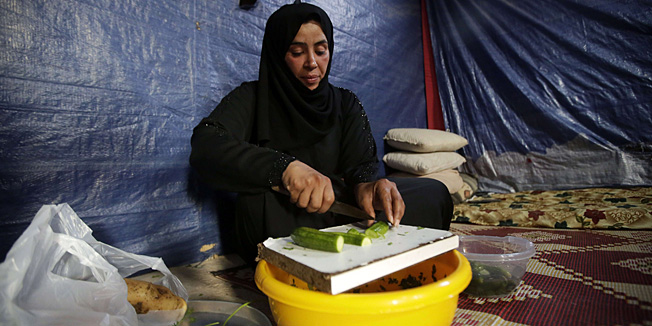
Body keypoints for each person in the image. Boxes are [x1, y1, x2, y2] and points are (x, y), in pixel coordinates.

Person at [190, 2, 452, 264]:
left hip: (341, 209)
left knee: (433, 194)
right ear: (278, 53)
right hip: (285, 211)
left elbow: (361, 168)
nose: (312, 63)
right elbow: (207, 143)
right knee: (256, 206)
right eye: (296, 52)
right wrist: (284, 168)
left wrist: (369, 187)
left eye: (321, 50)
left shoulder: (345, 102)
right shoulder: (253, 97)